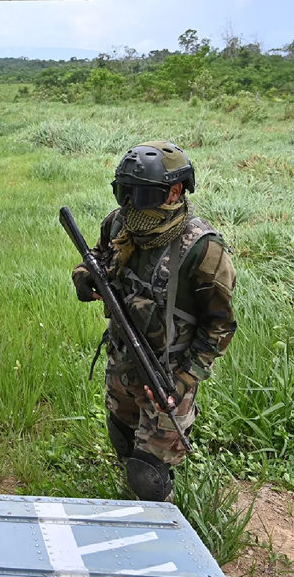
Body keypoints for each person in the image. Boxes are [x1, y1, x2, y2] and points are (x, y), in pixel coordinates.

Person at [72, 142, 236, 502]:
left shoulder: (203, 248)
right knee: (121, 437)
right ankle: (129, 506)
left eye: (141, 195)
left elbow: (220, 325)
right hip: (123, 359)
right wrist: (85, 277)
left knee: (148, 475)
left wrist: (182, 381)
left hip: (169, 372)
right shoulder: (118, 224)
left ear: (174, 192)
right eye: (124, 193)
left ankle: (162, 526)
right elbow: (98, 258)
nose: (130, 205)